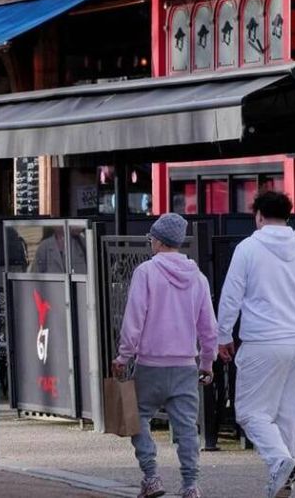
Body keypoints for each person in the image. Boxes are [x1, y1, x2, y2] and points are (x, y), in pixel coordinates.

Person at [216, 191, 295, 498]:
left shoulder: (248, 249)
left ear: (258, 215)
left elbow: (231, 296)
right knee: (289, 416)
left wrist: (223, 335)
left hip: (263, 340)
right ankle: (282, 483)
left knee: (250, 412)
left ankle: (279, 462)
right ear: (289, 215)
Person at [113, 213, 218, 498]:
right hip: (186, 365)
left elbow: (134, 317)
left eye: (151, 239)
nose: (150, 243)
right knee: (186, 429)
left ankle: (151, 476)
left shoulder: (146, 272)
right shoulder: (198, 278)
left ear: (158, 241)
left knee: (137, 417)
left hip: (150, 364)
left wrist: (124, 356)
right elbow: (209, 327)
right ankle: (191, 484)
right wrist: (207, 362)